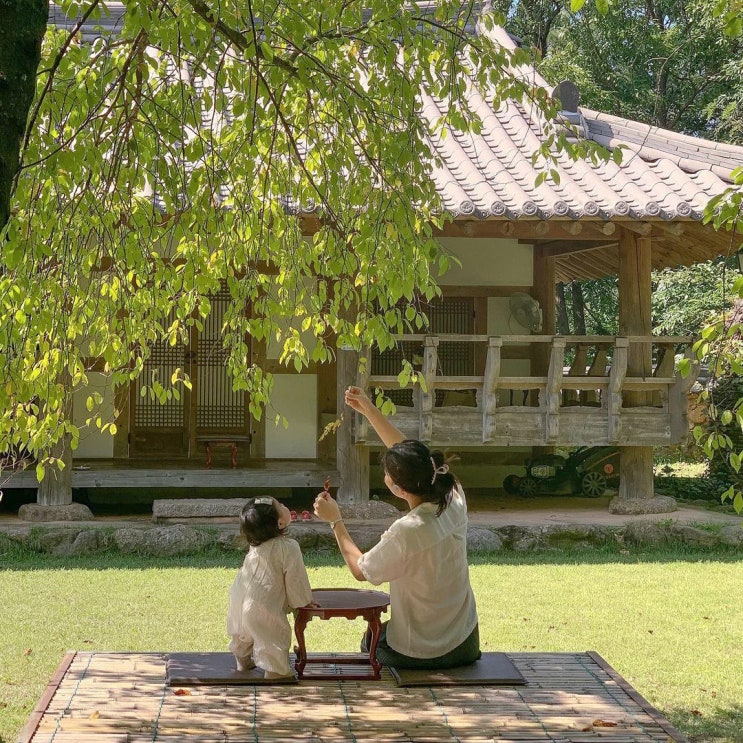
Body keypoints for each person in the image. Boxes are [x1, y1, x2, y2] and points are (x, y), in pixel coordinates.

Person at [313, 386, 481, 669]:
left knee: (370, 640)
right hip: (466, 640)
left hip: (421, 652)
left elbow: (360, 570)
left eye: (388, 474)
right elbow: (413, 456)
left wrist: (335, 520)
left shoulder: (407, 531)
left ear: (398, 489)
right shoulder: (453, 495)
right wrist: (369, 410)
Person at [227, 496, 313, 678]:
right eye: (280, 505)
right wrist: (303, 602)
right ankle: (275, 674)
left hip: (239, 597)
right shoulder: (289, 547)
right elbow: (295, 581)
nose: (284, 505)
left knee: (243, 635)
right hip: (262, 606)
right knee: (273, 640)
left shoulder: (255, 544)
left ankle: (243, 662)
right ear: (280, 523)